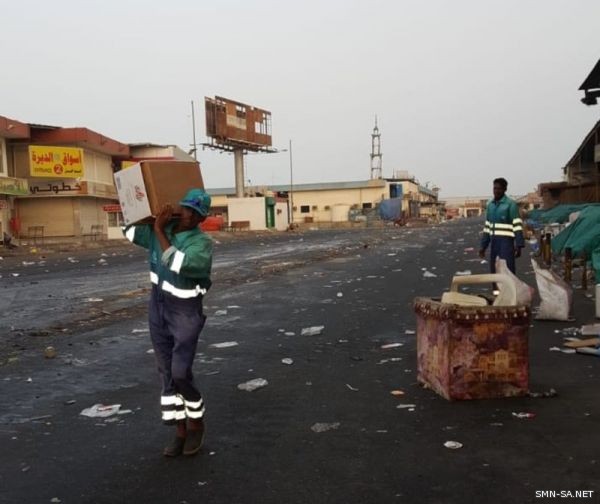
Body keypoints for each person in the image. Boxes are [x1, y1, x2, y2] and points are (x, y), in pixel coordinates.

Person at [125, 188, 213, 457]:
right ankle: (180, 431)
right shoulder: (161, 228)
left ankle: (196, 423)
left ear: (201, 218)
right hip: (158, 307)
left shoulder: (201, 243)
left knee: (180, 372)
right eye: (185, 208)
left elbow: (180, 264)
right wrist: (140, 208)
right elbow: (128, 232)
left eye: (194, 212)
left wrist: (160, 231)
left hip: (185, 312)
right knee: (166, 374)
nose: (186, 214)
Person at [478, 178, 524, 275]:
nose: (496, 191)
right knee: (494, 271)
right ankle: (496, 290)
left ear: (504, 189)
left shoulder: (510, 204)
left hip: (506, 244)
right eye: (494, 188)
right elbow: (487, 228)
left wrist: (519, 245)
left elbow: (517, 225)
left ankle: (510, 290)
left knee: (508, 270)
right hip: (494, 243)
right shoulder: (490, 205)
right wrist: (483, 246)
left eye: (499, 189)